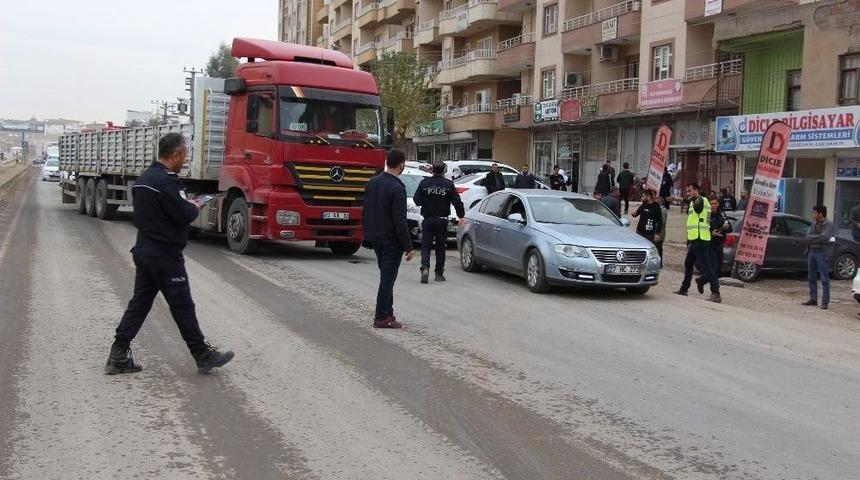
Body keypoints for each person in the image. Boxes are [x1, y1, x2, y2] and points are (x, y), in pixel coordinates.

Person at [105, 133, 234, 375]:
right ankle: (202, 354)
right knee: (182, 305)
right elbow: (184, 215)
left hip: (145, 250)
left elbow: (162, 211)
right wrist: (194, 205)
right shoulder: (167, 182)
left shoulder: (145, 178)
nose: (184, 160)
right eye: (184, 155)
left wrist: (184, 204)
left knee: (140, 304)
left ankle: (118, 353)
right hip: (165, 255)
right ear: (175, 154)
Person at [362, 149, 415, 328]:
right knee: (387, 278)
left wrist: (367, 235)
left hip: (376, 238)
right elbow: (400, 221)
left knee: (386, 276)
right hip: (391, 240)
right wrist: (408, 246)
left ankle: (388, 312)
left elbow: (366, 211)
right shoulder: (397, 188)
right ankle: (381, 316)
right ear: (401, 164)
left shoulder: (372, 182)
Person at [413, 162, 466, 283]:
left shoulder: (424, 183)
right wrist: (461, 216)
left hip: (428, 219)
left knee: (426, 246)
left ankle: (425, 267)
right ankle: (439, 273)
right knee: (440, 247)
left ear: (432, 170)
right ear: (443, 171)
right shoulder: (448, 184)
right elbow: (457, 201)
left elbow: (417, 200)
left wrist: (427, 200)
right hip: (442, 220)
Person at [674, 182, 721, 303]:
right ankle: (684, 289)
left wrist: (683, 199)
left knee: (706, 266)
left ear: (696, 190)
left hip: (700, 238)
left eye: (690, 191)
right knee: (688, 263)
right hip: (695, 238)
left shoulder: (700, 201)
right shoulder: (695, 202)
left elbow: (697, 204)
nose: (688, 193)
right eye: (687, 191)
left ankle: (716, 292)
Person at [803, 205, 838, 310]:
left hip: (822, 253)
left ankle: (825, 302)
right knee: (811, 276)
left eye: (814, 213)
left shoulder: (829, 224)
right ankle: (813, 299)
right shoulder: (814, 224)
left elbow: (824, 238)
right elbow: (807, 236)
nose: (813, 215)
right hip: (812, 252)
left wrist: (813, 238)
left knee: (824, 278)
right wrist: (815, 238)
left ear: (820, 213)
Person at [695, 197, 731, 294]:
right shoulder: (706, 215)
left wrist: (727, 227)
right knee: (713, 269)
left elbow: (729, 227)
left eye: (715, 203)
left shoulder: (722, 214)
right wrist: (711, 233)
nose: (713, 206)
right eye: (711, 204)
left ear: (718, 204)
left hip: (719, 244)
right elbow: (701, 229)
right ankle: (715, 292)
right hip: (709, 244)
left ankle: (701, 280)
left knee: (718, 269)